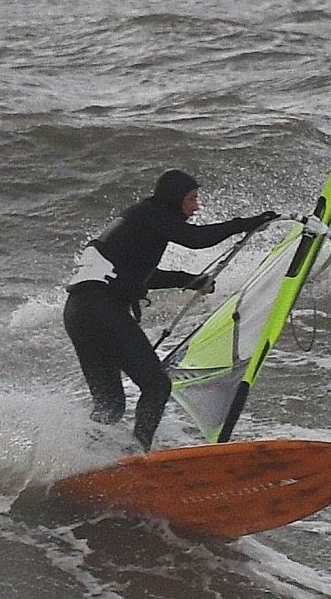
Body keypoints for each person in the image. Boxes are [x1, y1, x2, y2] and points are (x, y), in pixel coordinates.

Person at [63, 169, 276, 449]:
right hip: (102, 308)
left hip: (80, 312)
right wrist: (248, 224)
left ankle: (80, 456)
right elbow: (196, 239)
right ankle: (138, 453)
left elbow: (142, 273)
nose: (196, 206)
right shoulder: (151, 215)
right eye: (192, 198)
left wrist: (188, 280)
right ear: (175, 198)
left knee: (110, 406)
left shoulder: (139, 219)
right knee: (157, 385)